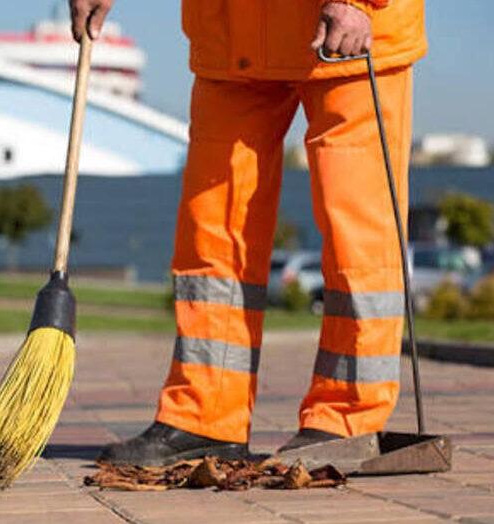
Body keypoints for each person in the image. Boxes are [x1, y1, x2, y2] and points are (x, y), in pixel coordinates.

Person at [69, 0, 427, 465]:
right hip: (231, 34)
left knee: (356, 234)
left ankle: (347, 417)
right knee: (212, 231)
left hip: (346, 29)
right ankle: (205, 416)